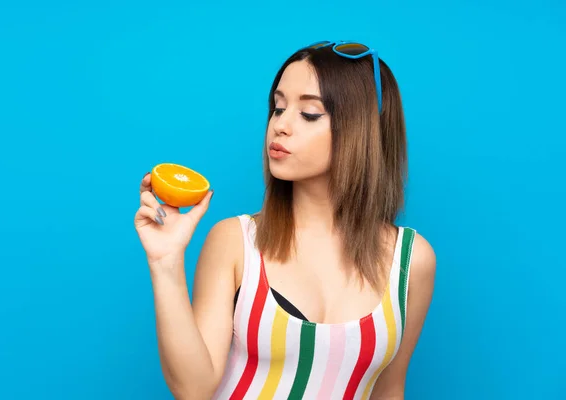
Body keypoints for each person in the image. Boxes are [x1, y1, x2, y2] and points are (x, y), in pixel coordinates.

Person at [134, 40, 436, 400]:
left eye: (309, 114)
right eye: (278, 108)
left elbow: (389, 389)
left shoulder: (411, 261)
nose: (280, 126)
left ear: (362, 130)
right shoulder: (236, 242)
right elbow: (194, 389)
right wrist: (165, 261)